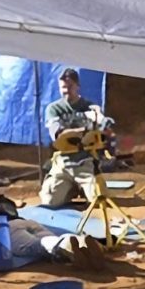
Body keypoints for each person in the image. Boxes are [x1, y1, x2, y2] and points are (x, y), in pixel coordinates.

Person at [39, 69, 113, 208]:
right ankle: (70, 189)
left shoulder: (90, 107)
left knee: (98, 201)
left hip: (85, 161)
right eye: (63, 87)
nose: (66, 91)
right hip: (63, 163)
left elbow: (102, 128)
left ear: (77, 86)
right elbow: (58, 134)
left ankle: (83, 188)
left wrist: (97, 120)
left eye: (70, 87)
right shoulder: (53, 109)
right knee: (48, 202)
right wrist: (83, 127)